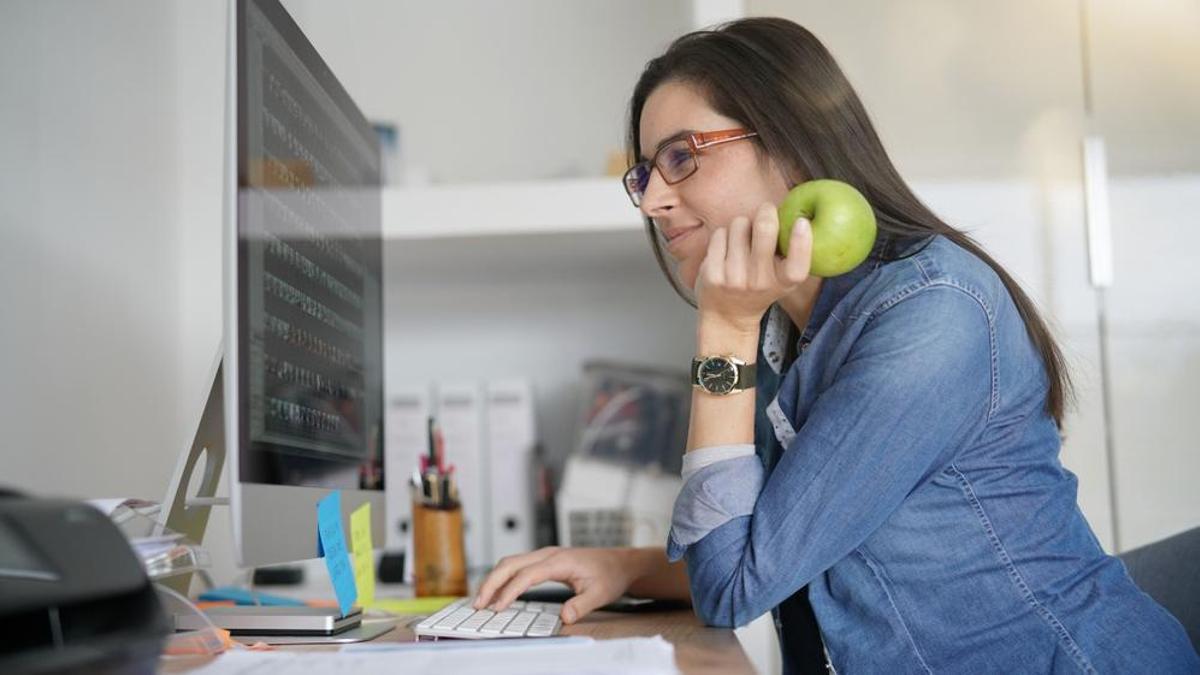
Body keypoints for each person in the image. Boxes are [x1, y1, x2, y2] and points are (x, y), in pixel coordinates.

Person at [473, 17, 1198, 673]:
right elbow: (759, 542)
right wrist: (626, 566)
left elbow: (736, 586)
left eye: (683, 157)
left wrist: (722, 331)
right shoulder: (782, 327)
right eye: (645, 174)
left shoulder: (932, 315)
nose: (656, 199)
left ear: (788, 143)